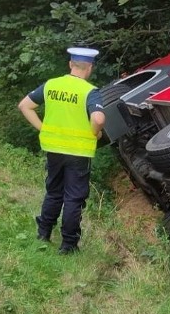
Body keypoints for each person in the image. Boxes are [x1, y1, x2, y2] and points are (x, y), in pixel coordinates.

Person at [18, 47, 105, 254]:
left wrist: (43, 128)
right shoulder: (89, 91)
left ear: (70, 65)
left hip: (54, 149)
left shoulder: (51, 85)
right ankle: (68, 245)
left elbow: (24, 106)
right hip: (79, 152)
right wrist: (96, 132)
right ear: (90, 68)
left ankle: (43, 233)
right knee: (73, 198)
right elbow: (99, 118)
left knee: (54, 192)